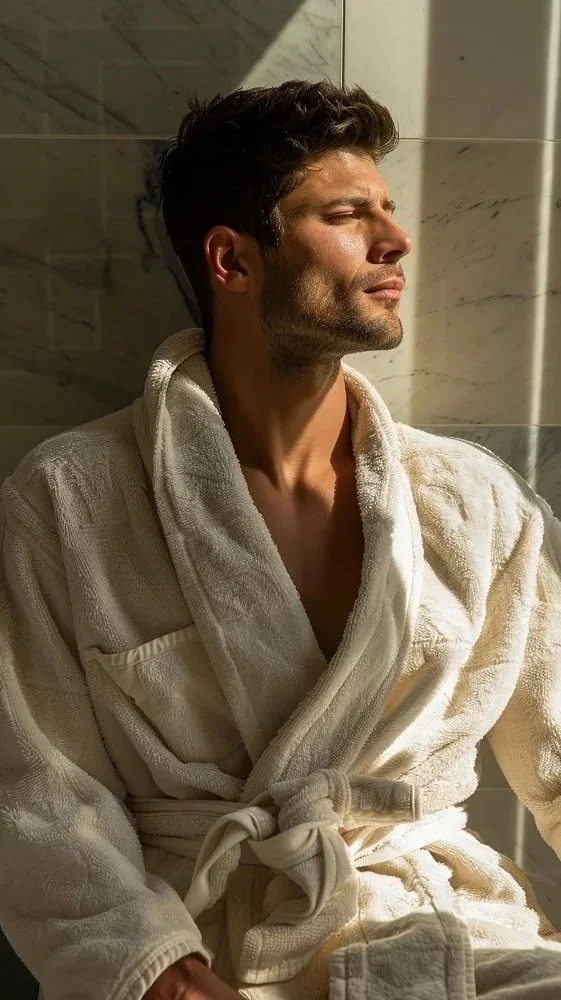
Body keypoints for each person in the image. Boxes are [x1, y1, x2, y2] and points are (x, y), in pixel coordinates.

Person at [1, 79, 561, 1000]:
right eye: (347, 214)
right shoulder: (71, 500)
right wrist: (151, 972)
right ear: (232, 259)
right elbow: (35, 788)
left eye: (387, 208)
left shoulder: (470, 501)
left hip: (434, 928)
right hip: (208, 943)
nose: (396, 238)